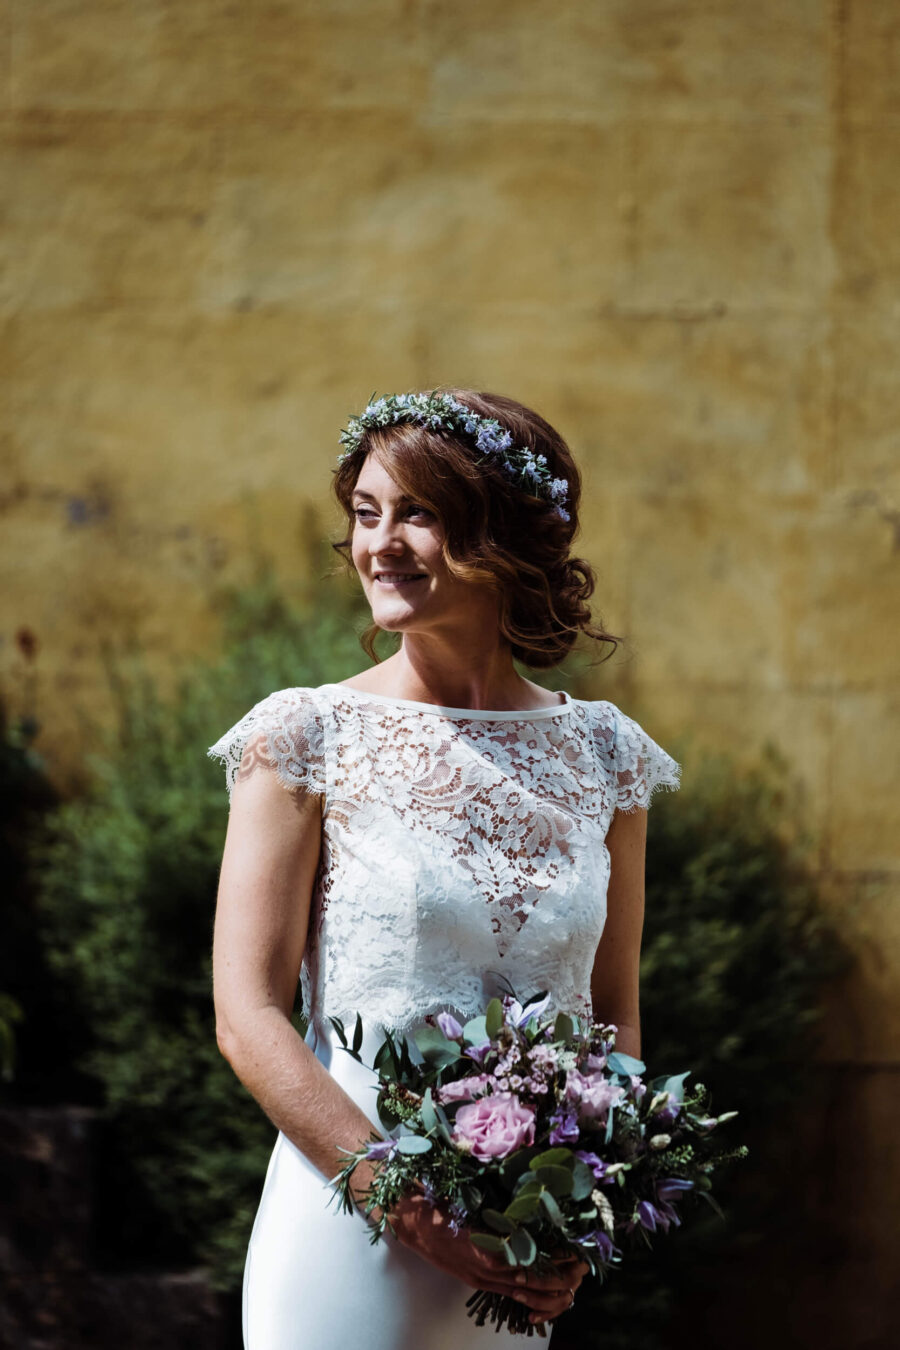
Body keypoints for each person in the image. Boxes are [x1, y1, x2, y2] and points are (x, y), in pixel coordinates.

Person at [208, 388, 681, 1350]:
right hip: (347, 1232)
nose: (378, 544)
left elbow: (613, 1015)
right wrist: (408, 1206)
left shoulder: (605, 755)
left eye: (416, 513)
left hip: (519, 1249)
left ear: (503, 534)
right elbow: (246, 1015)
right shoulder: (306, 736)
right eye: (366, 513)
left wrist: (582, 1210)